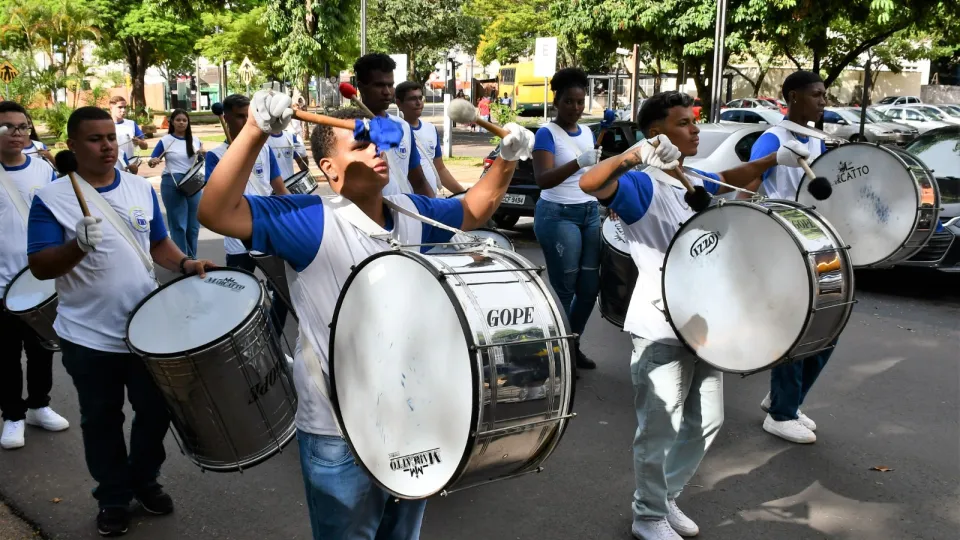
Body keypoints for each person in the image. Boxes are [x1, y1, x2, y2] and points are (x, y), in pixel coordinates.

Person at [197, 90, 534, 540]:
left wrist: (505, 158)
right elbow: (216, 212)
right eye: (359, 144)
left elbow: (474, 208)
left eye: (378, 142)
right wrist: (256, 129)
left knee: (402, 536)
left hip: (414, 416)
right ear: (329, 170)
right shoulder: (311, 220)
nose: (376, 150)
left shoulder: (411, 210)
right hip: (339, 429)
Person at [579, 91, 811, 540]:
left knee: (707, 419)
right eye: (684, 123)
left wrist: (771, 160)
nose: (695, 129)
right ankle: (647, 515)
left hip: (708, 324)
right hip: (660, 325)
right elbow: (592, 184)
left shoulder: (690, 176)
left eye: (694, 121)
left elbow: (727, 178)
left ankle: (664, 498)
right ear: (656, 135)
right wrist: (633, 154)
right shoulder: (642, 184)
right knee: (659, 427)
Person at [26, 106, 215, 537]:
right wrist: (77, 245)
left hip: (145, 329)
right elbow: (39, 266)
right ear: (72, 146)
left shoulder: (137, 187)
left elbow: (159, 244)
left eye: (111, 137)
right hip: (87, 335)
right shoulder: (51, 199)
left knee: (156, 411)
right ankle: (112, 496)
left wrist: (185, 263)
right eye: (95, 139)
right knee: (101, 419)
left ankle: (143, 479)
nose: (107, 145)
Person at [749, 70, 830, 445]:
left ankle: (784, 399)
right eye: (817, 94)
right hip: (779, 244)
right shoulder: (770, 139)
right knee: (796, 327)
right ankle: (781, 415)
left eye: (825, 94)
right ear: (794, 97)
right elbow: (747, 191)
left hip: (813, 241)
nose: (823, 101)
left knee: (829, 327)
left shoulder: (817, 141)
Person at [0, 101, 67, 451]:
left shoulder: (43, 170)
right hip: (1, 285)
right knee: (6, 355)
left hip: (40, 280)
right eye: (8, 127)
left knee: (42, 348)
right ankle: (12, 415)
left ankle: (39, 405)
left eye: (23, 126)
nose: (17, 133)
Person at [532, 67, 603, 371]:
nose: (575, 108)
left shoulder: (586, 132)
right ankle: (556, 354)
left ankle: (571, 344)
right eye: (569, 102)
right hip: (558, 215)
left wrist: (606, 198)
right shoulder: (546, 134)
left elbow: (592, 175)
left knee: (589, 288)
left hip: (589, 212)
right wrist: (578, 162)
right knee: (565, 288)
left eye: (579, 101)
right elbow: (543, 179)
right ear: (556, 101)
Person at [205, 94, 290, 333]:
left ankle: (272, 340)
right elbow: (217, 200)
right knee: (236, 299)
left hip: (267, 235)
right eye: (240, 116)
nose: (245, 121)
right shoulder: (216, 156)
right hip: (237, 241)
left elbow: (280, 190)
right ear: (226, 117)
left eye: (248, 116)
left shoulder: (265, 150)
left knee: (283, 295)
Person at [353, 53, 434, 197]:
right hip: (364, 217)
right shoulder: (346, 128)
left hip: (404, 216)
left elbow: (419, 181)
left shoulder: (403, 127)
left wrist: (433, 213)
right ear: (361, 87)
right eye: (379, 85)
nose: (387, 92)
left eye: (390, 85)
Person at [148, 109, 204, 258]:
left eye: (184, 120)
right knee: (179, 225)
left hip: (193, 183)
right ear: (172, 122)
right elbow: (152, 160)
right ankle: (182, 260)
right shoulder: (166, 141)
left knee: (193, 226)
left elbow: (201, 162)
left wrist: (203, 154)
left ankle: (193, 258)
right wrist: (153, 161)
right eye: (178, 120)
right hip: (172, 183)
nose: (181, 123)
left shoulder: (195, 140)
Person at [395, 81, 466, 196]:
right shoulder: (393, 132)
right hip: (407, 204)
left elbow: (440, 169)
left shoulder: (431, 129)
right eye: (412, 99)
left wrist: (463, 193)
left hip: (430, 204)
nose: (418, 103)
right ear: (399, 103)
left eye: (420, 98)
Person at [109, 96, 147, 175]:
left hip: (129, 165)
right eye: (120, 107)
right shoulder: (105, 125)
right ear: (111, 108)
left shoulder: (131, 124)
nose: (123, 110)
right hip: (111, 166)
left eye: (125, 107)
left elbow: (145, 147)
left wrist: (139, 142)